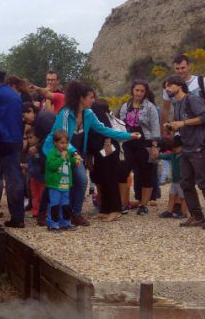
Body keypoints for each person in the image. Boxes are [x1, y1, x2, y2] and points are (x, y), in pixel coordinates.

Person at [42, 81, 139, 226]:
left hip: (74, 154)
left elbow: (104, 129)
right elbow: (60, 137)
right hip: (56, 152)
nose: (93, 100)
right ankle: (45, 215)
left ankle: (74, 214)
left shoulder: (89, 113)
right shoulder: (65, 113)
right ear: (81, 98)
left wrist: (128, 136)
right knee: (56, 182)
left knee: (81, 181)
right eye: (90, 97)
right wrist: (75, 153)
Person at [164, 74, 205, 229]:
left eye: (169, 85)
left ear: (179, 86)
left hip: (199, 146)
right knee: (186, 183)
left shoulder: (192, 99)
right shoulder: (177, 104)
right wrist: (172, 126)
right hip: (186, 147)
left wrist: (182, 123)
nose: (167, 89)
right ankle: (196, 216)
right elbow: (182, 125)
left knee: (204, 182)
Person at [0, 70, 25, 228]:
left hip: (3, 141)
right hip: (14, 140)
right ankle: (17, 216)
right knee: (14, 177)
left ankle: (15, 218)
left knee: (12, 179)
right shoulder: (13, 94)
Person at [116, 80, 161, 215]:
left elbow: (155, 127)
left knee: (146, 173)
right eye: (137, 90)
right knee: (123, 172)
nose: (139, 93)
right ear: (132, 90)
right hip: (128, 142)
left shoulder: (150, 107)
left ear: (145, 92)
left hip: (145, 142)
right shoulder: (125, 106)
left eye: (142, 91)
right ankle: (123, 204)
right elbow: (121, 124)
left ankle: (143, 204)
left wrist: (154, 146)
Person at [90, 100, 125, 220]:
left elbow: (107, 127)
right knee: (101, 179)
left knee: (110, 179)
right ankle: (104, 209)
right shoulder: (84, 111)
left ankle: (115, 210)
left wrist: (107, 142)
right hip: (97, 150)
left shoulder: (94, 109)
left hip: (107, 147)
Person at [45, 130, 80, 231]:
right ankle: (53, 224)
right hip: (55, 184)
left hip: (65, 184)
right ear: (55, 143)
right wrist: (61, 158)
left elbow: (69, 161)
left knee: (65, 205)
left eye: (66, 143)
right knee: (54, 205)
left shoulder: (67, 152)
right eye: (61, 143)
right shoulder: (52, 154)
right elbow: (52, 166)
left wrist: (75, 161)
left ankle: (65, 223)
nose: (64, 145)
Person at [157, 136, 187, 218]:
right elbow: (164, 156)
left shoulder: (184, 155)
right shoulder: (173, 154)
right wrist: (157, 155)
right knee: (172, 195)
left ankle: (183, 213)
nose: (174, 150)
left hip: (182, 180)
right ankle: (169, 211)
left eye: (176, 148)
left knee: (183, 197)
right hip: (175, 180)